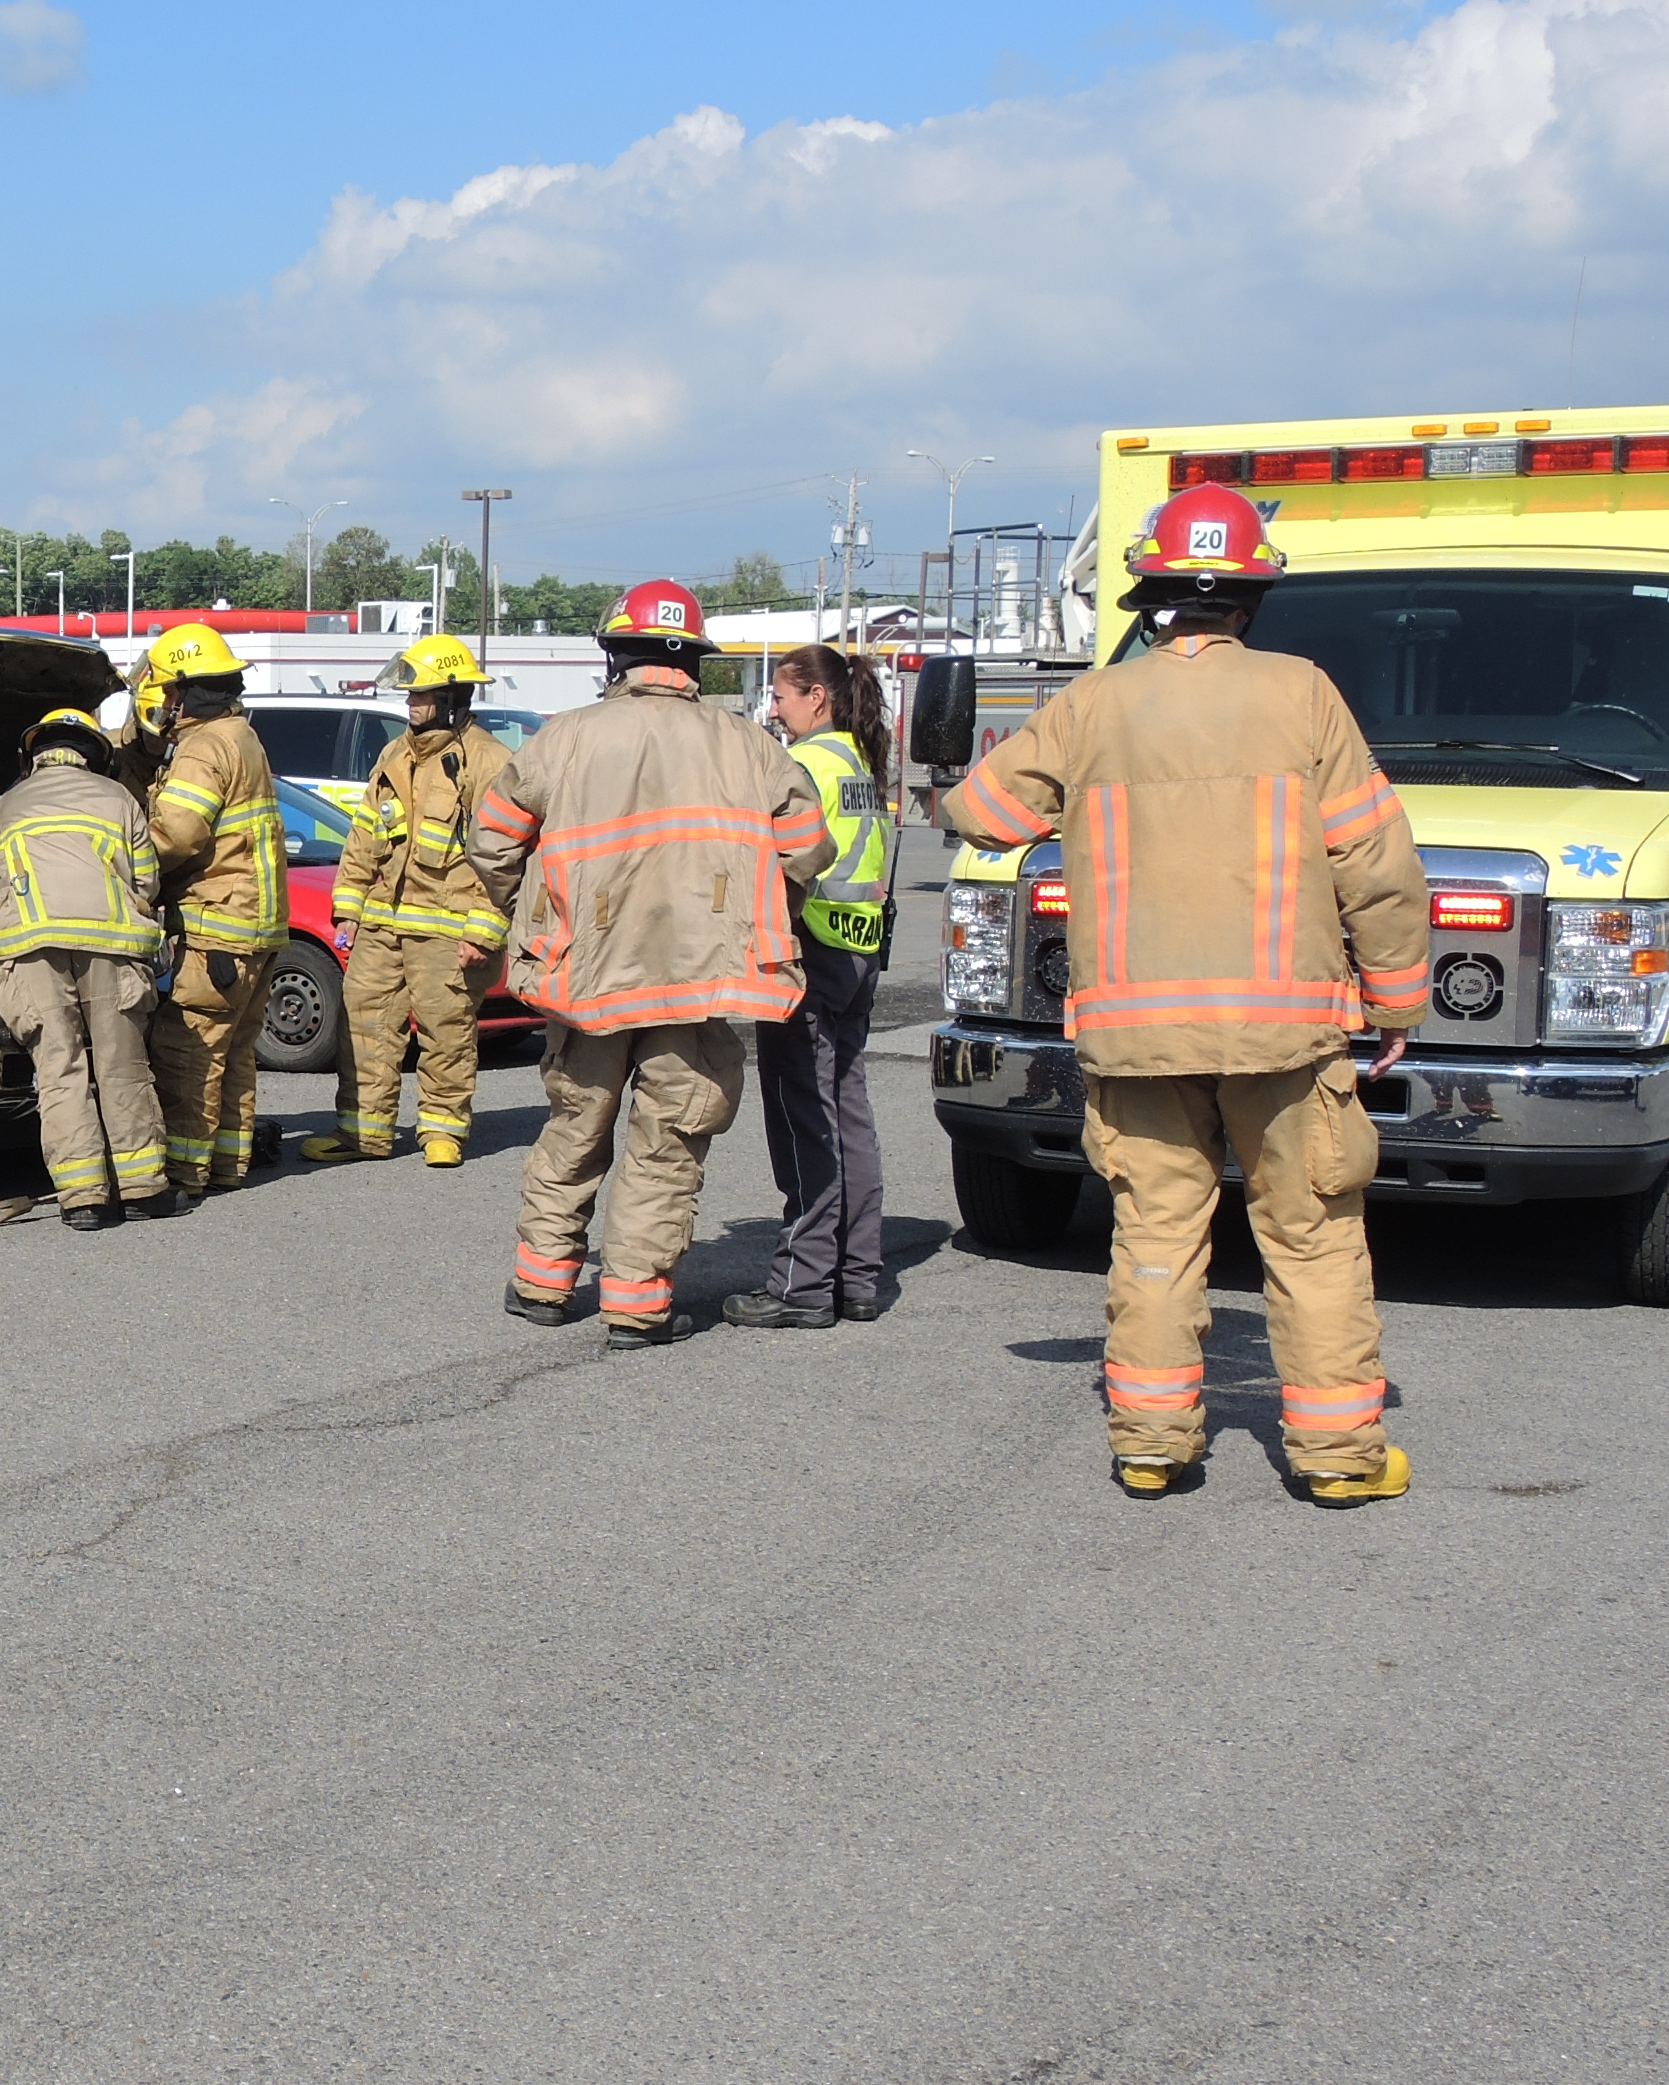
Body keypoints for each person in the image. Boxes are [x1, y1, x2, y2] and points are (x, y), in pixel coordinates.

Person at [935, 478, 1430, 1503]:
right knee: (1312, 1234)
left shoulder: (1092, 704)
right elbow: (1374, 862)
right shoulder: (1303, 693)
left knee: (1155, 1233)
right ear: (1249, 601)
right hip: (1288, 1035)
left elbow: (979, 814)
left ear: (1150, 595)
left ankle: (1152, 1446)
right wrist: (1394, 1000)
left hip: (1138, 1035)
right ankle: (1338, 1461)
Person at [467, 581, 831, 1347]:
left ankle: (542, 1281)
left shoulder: (562, 739)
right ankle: (635, 1304)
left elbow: (494, 841)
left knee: (575, 1125)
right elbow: (806, 849)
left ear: (617, 656)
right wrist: (754, 915)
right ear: (691, 661)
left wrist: (532, 910)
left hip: (586, 977)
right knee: (667, 1142)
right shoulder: (750, 745)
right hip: (697, 984)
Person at [728, 642, 900, 1327]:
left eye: (780, 695)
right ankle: (857, 1275)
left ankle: (802, 1284)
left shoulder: (806, 765)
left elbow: (777, 860)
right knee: (848, 1110)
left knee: (808, 1119)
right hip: (858, 953)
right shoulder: (859, 763)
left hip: (809, 951)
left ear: (815, 698)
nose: (774, 707)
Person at [298, 634, 512, 1170]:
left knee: (446, 1027)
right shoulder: (396, 754)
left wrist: (484, 930)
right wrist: (347, 906)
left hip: (449, 925)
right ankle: (362, 1133)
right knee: (364, 1023)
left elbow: (507, 854)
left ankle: (442, 1130)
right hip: (381, 922)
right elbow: (365, 835)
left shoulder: (487, 761)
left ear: (453, 697)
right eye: (410, 695)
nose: (411, 704)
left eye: (422, 695)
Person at [0, 706, 171, 1229]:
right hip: (111, 948)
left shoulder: (4, 806)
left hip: (30, 949)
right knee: (121, 1065)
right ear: (95, 756)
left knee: (59, 1069)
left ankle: (83, 1199)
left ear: (32, 755)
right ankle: (143, 1188)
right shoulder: (122, 800)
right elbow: (147, 884)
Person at [139, 623, 287, 1201]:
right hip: (257, 926)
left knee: (190, 1051)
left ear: (183, 690)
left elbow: (175, 834)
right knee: (235, 1053)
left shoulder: (204, 746)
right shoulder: (241, 734)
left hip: (218, 926)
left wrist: (123, 864)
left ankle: (184, 1173)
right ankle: (227, 1165)